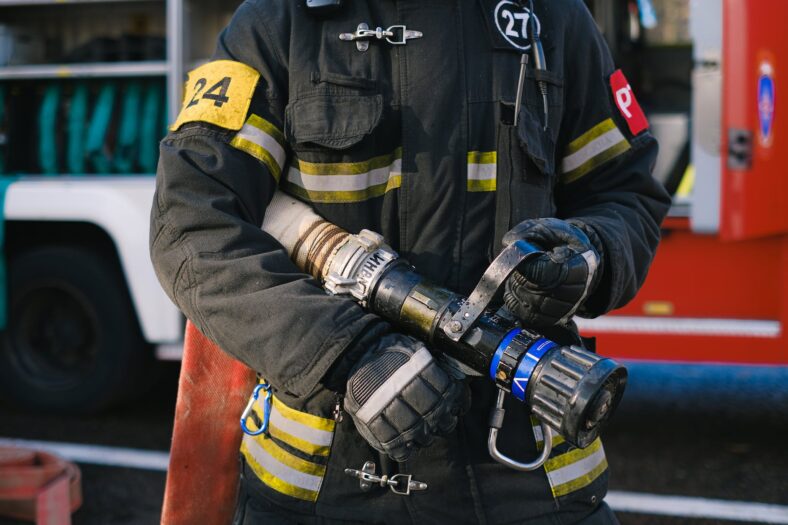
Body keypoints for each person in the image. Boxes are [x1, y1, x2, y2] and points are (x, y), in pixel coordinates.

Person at [150, 0, 671, 523]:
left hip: (528, 483)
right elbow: (189, 224)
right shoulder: (279, 21)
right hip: (327, 486)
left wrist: (589, 252)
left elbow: (626, 193)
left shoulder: (551, 18)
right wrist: (348, 353)